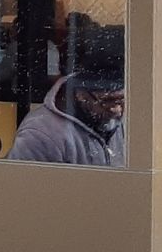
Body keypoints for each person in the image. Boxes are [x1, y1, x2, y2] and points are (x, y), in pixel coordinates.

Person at [8, 25, 125, 165]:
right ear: (81, 94)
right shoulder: (40, 134)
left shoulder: (126, 121)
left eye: (121, 100)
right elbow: (22, 185)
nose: (117, 111)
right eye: (108, 101)